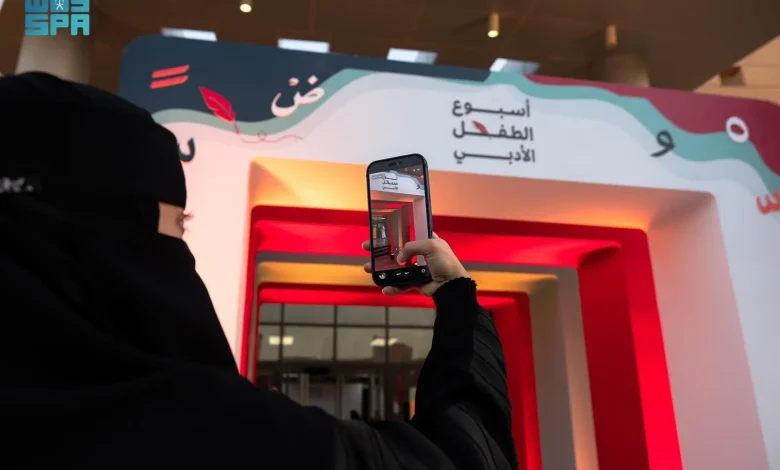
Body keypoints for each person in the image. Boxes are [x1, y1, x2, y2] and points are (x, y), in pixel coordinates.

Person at [0, 72, 517, 469]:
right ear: (114, 233)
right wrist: (456, 295)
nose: (182, 247)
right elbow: (464, 458)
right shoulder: (215, 433)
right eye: (177, 225)